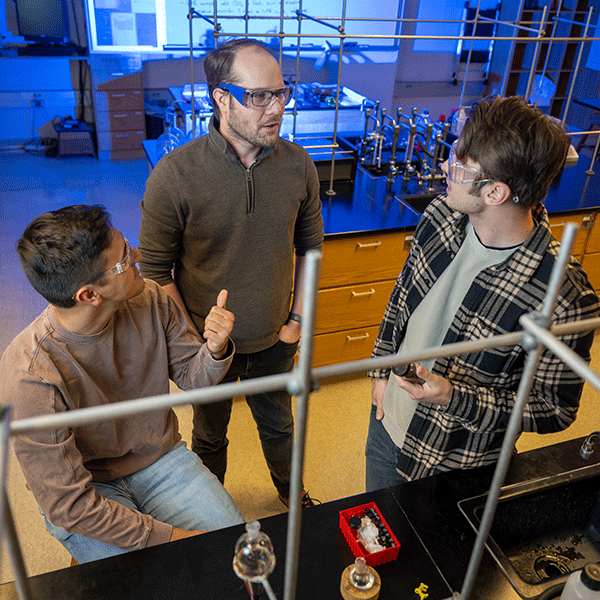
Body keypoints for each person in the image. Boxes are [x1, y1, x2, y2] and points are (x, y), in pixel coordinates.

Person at [365, 95, 600, 490]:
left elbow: (553, 410)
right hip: (388, 425)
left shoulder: (564, 296)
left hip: (457, 463)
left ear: (496, 193)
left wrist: (455, 398)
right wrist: (379, 371)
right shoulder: (442, 215)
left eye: (458, 165)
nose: (444, 167)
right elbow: (403, 296)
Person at [0, 205, 244, 564]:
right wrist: (176, 538)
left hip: (160, 461)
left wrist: (214, 348)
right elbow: (72, 507)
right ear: (88, 295)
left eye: (127, 245)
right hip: (88, 487)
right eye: (125, 258)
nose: (139, 257)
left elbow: (195, 379)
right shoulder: (30, 375)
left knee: (232, 552)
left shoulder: (151, 300)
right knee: (152, 577)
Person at [138, 38, 324, 508]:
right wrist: (194, 344)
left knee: (281, 427)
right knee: (209, 436)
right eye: (259, 96)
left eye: (281, 93)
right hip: (209, 347)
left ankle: (293, 496)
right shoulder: (174, 176)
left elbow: (312, 249)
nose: (276, 107)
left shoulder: (299, 165)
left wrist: (297, 322)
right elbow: (156, 270)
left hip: (275, 338)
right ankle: (211, 514)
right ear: (221, 98)